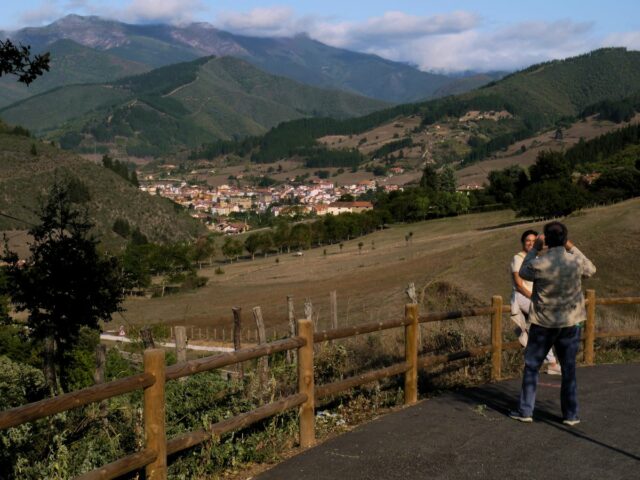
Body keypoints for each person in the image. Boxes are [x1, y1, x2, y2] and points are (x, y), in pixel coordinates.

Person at [510, 221, 596, 426]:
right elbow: (591, 269)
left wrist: (536, 249)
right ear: (564, 239)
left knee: (532, 367)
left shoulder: (539, 263)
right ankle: (571, 414)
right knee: (569, 369)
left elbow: (522, 273)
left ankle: (526, 411)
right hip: (570, 323)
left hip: (543, 323)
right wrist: (570, 245)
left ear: (546, 240)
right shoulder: (574, 261)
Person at [510, 230, 561, 375]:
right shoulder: (518, 258)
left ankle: (535, 363)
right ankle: (551, 363)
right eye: (528, 240)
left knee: (538, 330)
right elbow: (519, 284)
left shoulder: (536, 258)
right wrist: (535, 297)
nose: (531, 243)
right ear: (522, 242)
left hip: (533, 297)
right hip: (522, 296)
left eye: (534, 241)